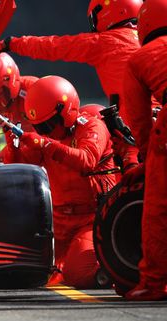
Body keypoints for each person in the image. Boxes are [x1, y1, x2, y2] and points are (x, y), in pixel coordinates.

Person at [0, 0, 143, 170]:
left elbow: (53, 46)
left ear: (104, 14)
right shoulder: (151, 40)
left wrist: (11, 43)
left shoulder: (104, 43)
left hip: (135, 129)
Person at [2, 75, 117, 289]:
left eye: (48, 124)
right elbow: (21, 171)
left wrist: (46, 145)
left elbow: (86, 160)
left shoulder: (92, 127)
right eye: (39, 127)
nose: (45, 131)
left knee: (79, 273)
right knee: (16, 270)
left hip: (90, 219)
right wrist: (13, 147)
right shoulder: (47, 139)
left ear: (65, 110)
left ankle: (109, 265)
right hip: (57, 222)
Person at [119, 0, 167, 301]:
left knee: (158, 209)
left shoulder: (140, 59)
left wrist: (150, 160)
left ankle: (154, 283)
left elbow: (138, 118)